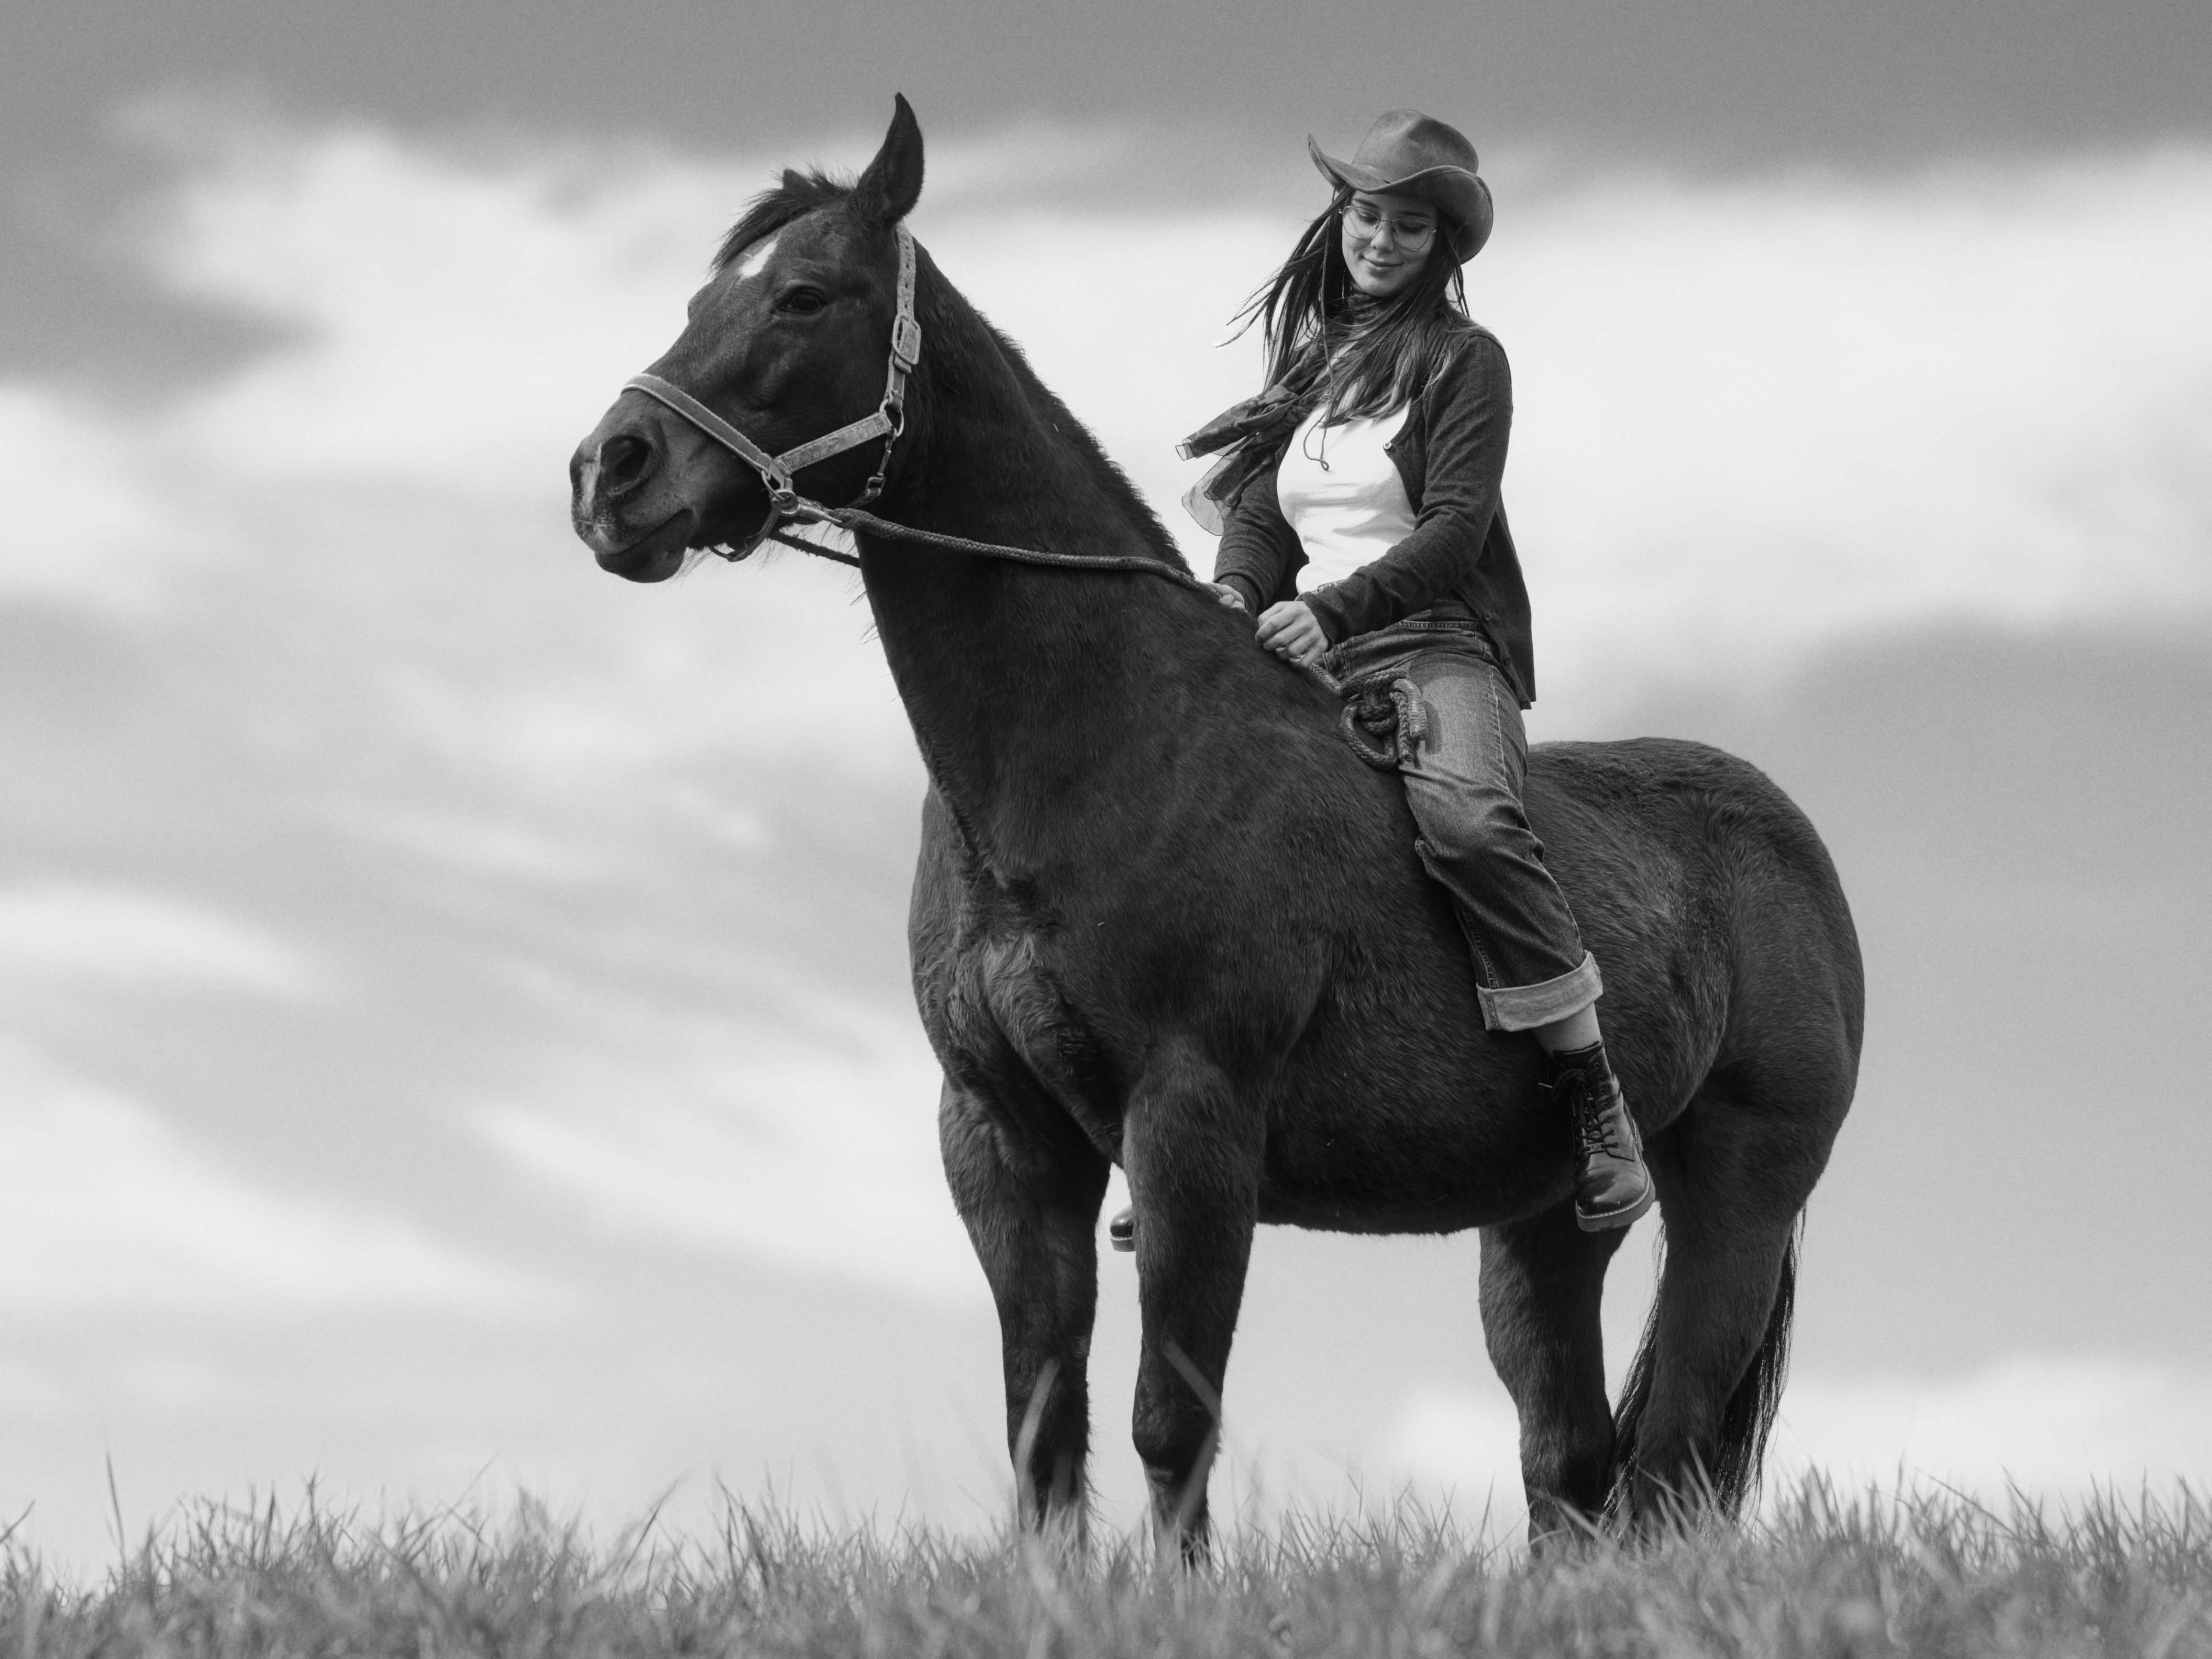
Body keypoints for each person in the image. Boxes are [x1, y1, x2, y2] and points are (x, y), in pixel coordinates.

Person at [1174, 109, 1653, 1236]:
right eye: (1367, 216)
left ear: (1444, 246)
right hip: (1304, 641)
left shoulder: (1466, 363)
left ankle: (1594, 1100)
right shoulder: (1314, 365)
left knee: (1474, 825)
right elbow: (1257, 514)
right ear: (1342, 219)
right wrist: (1242, 597)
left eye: (1408, 226)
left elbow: (1452, 529)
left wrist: (1330, 613)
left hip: (1434, 643)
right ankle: (1182, 1114)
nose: (1381, 242)